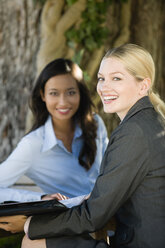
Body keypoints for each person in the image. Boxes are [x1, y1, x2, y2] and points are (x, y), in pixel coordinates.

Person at [1, 43, 165, 248]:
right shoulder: (150, 121)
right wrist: (41, 199)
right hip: (112, 224)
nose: (104, 87)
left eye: (116, 78)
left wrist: (29, 223)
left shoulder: (132, 132)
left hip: (136, 240)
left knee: (34, 240)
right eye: (101, 78)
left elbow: (93, 216)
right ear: (42, 96)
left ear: (143, 85)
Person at [0, 58, 108, 203]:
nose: (63, 102)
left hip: (110, 214)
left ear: (80, 94)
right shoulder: (33, 144)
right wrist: (40, 198)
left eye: (71, 92)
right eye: (54, 93)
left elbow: (109, 174)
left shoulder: (95, 124)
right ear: (43, 95)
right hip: (72, 221)